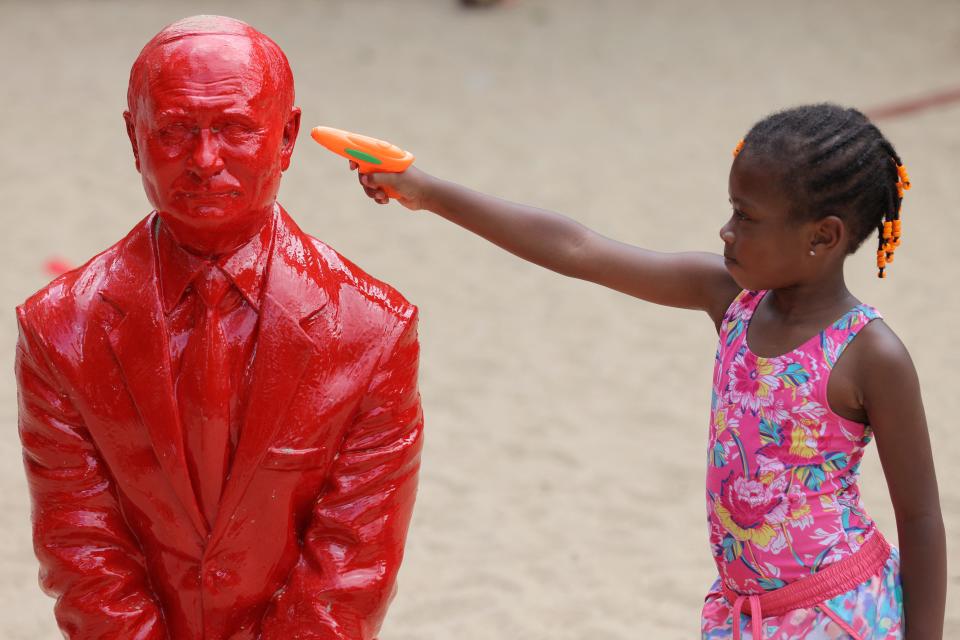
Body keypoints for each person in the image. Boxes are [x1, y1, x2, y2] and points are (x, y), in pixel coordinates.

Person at [349, 104, 945, 639]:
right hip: (746, 614)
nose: (726, 230)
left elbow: (920, 519)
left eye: (746, 216)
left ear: (823, 236)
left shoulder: (871, 354)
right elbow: (580, 249)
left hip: (839, 614)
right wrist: (426, 191)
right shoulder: (730, 298)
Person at [15, 15, 423, 640]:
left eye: (235, 129)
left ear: (286, 138)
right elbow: (81, 545)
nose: (205, 161)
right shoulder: (58, 329)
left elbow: (352, 559)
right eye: (175, 131)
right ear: (134, 138)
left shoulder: (372, 331)